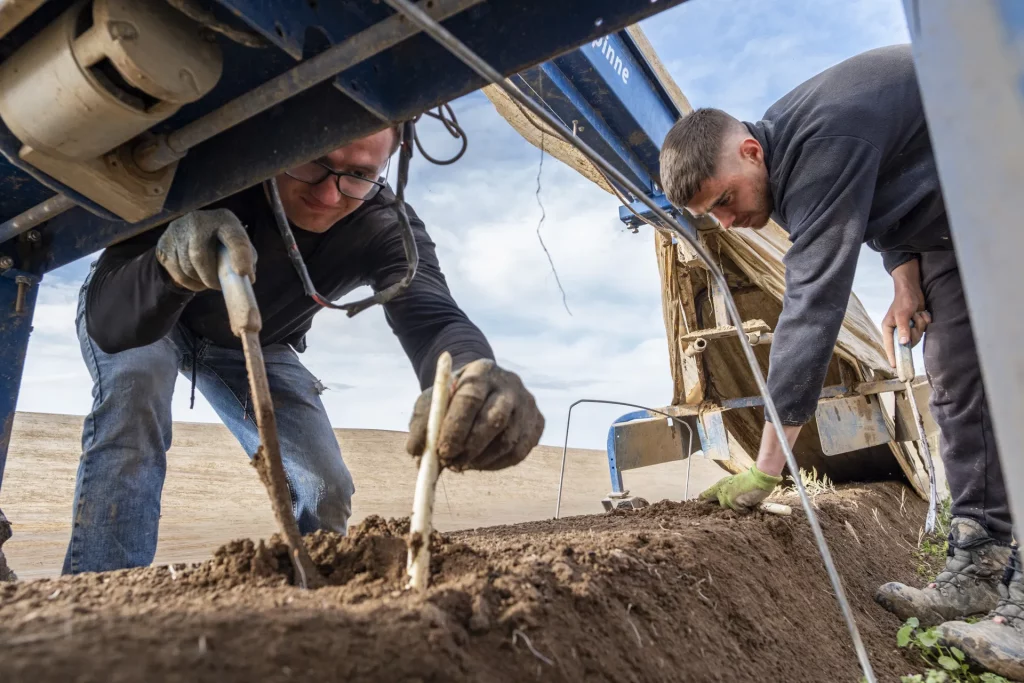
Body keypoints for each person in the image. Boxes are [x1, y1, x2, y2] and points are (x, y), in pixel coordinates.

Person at [657, 45, 1021, 678]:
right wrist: (903, 277)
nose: (728, 221)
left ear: (749, 152)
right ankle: (981, 567)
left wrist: (767, 468)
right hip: (946, 224)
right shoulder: (786, 162)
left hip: (1003, 175)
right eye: (709, 216)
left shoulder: (821, 139)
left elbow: (812, 307)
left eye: (724, 199)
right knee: (958, 387)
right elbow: (892, 177)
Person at [65, 126, 544, 576]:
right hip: (151, 313)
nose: (329, 193)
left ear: (386, 167)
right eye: (316, 162)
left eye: (359, 175)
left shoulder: (383, 226)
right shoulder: (213, 170)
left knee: (326, 486)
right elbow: (110, 322)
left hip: (258, 343)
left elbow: (434, 317)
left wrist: (471, 373)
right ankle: (93, 603)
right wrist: (167, 268)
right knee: (135, 394)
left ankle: (309, 600)